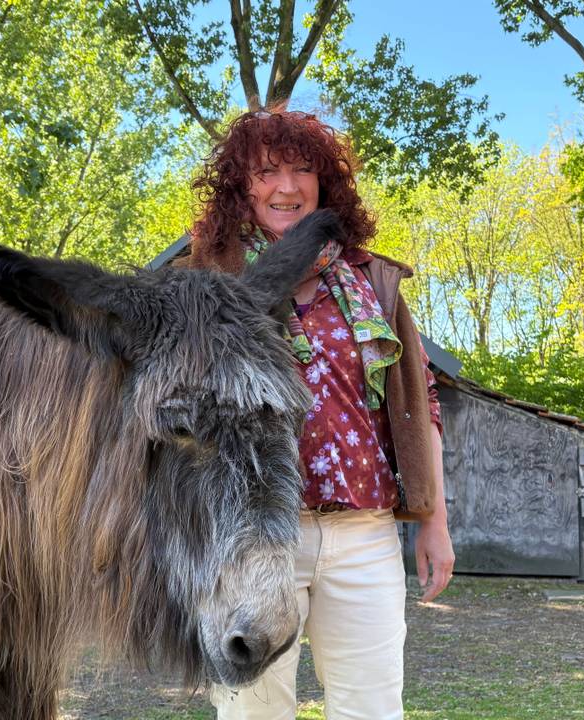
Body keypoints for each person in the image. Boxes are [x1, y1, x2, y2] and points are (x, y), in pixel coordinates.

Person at [184, 108, 454, 720]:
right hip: (249, 536)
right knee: (253, 710)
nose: (287, 186)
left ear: (325, 184)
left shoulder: (372, 280)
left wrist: (433, 522)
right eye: (267, 170)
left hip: (365, 533)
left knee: (372, 708)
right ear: (239, 184)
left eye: (304, 170)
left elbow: (421, 406)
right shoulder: (201, 280)